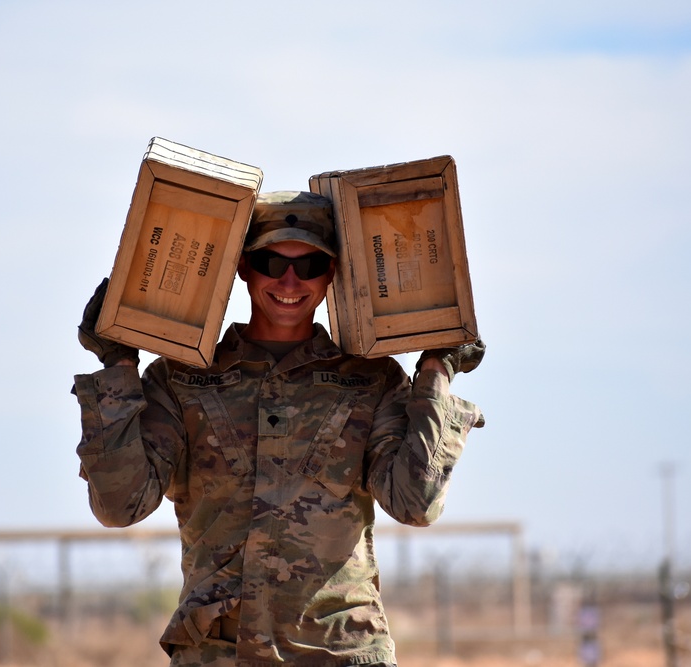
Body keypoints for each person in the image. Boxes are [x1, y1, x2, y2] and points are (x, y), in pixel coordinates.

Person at [73, 190, 485, 666]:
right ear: (244, 266)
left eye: (310, 264)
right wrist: (118, 366)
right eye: (272, 262)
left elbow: (417, 503)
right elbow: (120, 506)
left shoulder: (372, 380)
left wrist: (436, 370)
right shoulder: (181, 380)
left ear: (331, 274)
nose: (290, 280)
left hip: (339, 652)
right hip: (216, 653)